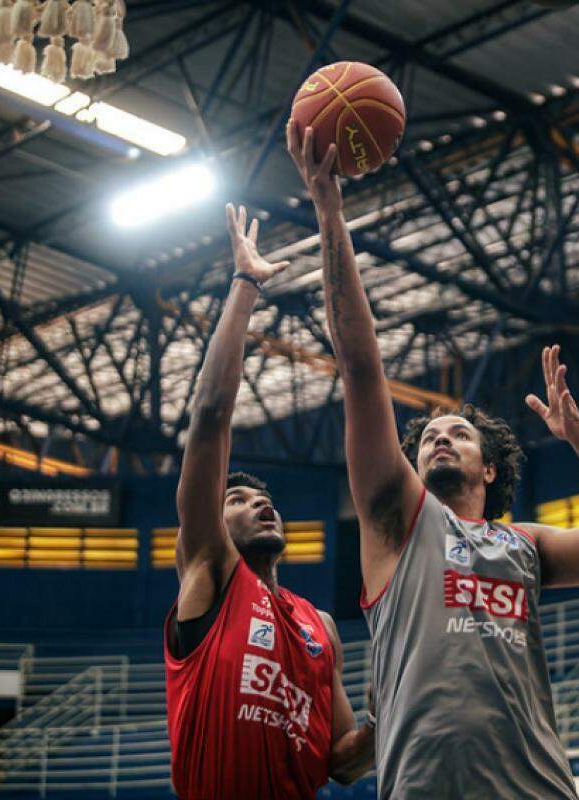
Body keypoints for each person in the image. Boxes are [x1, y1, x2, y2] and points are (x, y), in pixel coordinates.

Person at [289, 126, 579, 799]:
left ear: (490, 469)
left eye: (459, 434)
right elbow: (358, 364)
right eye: (428, 436)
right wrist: (330, 212)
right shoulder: (398, 523)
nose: (441, 439)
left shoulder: (526, 544)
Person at [164, 204, 374, 800]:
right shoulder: (210, 568)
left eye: (266, 499)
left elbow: (343, 762)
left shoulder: (321, 627)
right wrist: (246, 285)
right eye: (238, 498)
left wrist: (387, 717)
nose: (261, 505)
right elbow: (208, 419)